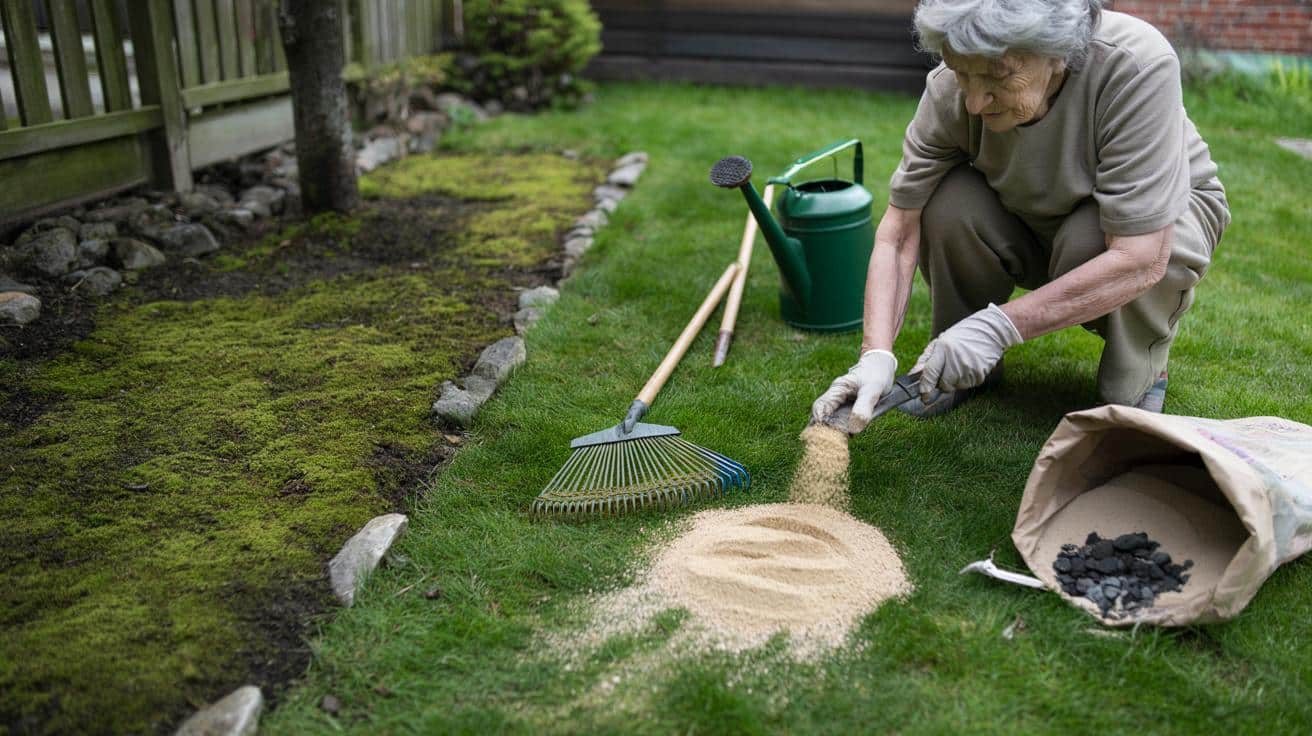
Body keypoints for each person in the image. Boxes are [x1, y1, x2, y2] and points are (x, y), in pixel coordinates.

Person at [812, 0, 1229, 432]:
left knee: (1089, 240)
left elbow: (1141, 255)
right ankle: (957, 368)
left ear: (1059, 52)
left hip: (1153, 226)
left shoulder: (1135, 67)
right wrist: (875, 352)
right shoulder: (948, 92)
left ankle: (1138, 375)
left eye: (997, 75)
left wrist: (1000, 327)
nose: (974, 102)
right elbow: (898, 232)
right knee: (946, 203)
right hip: (1031, 212)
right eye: (961, 72)